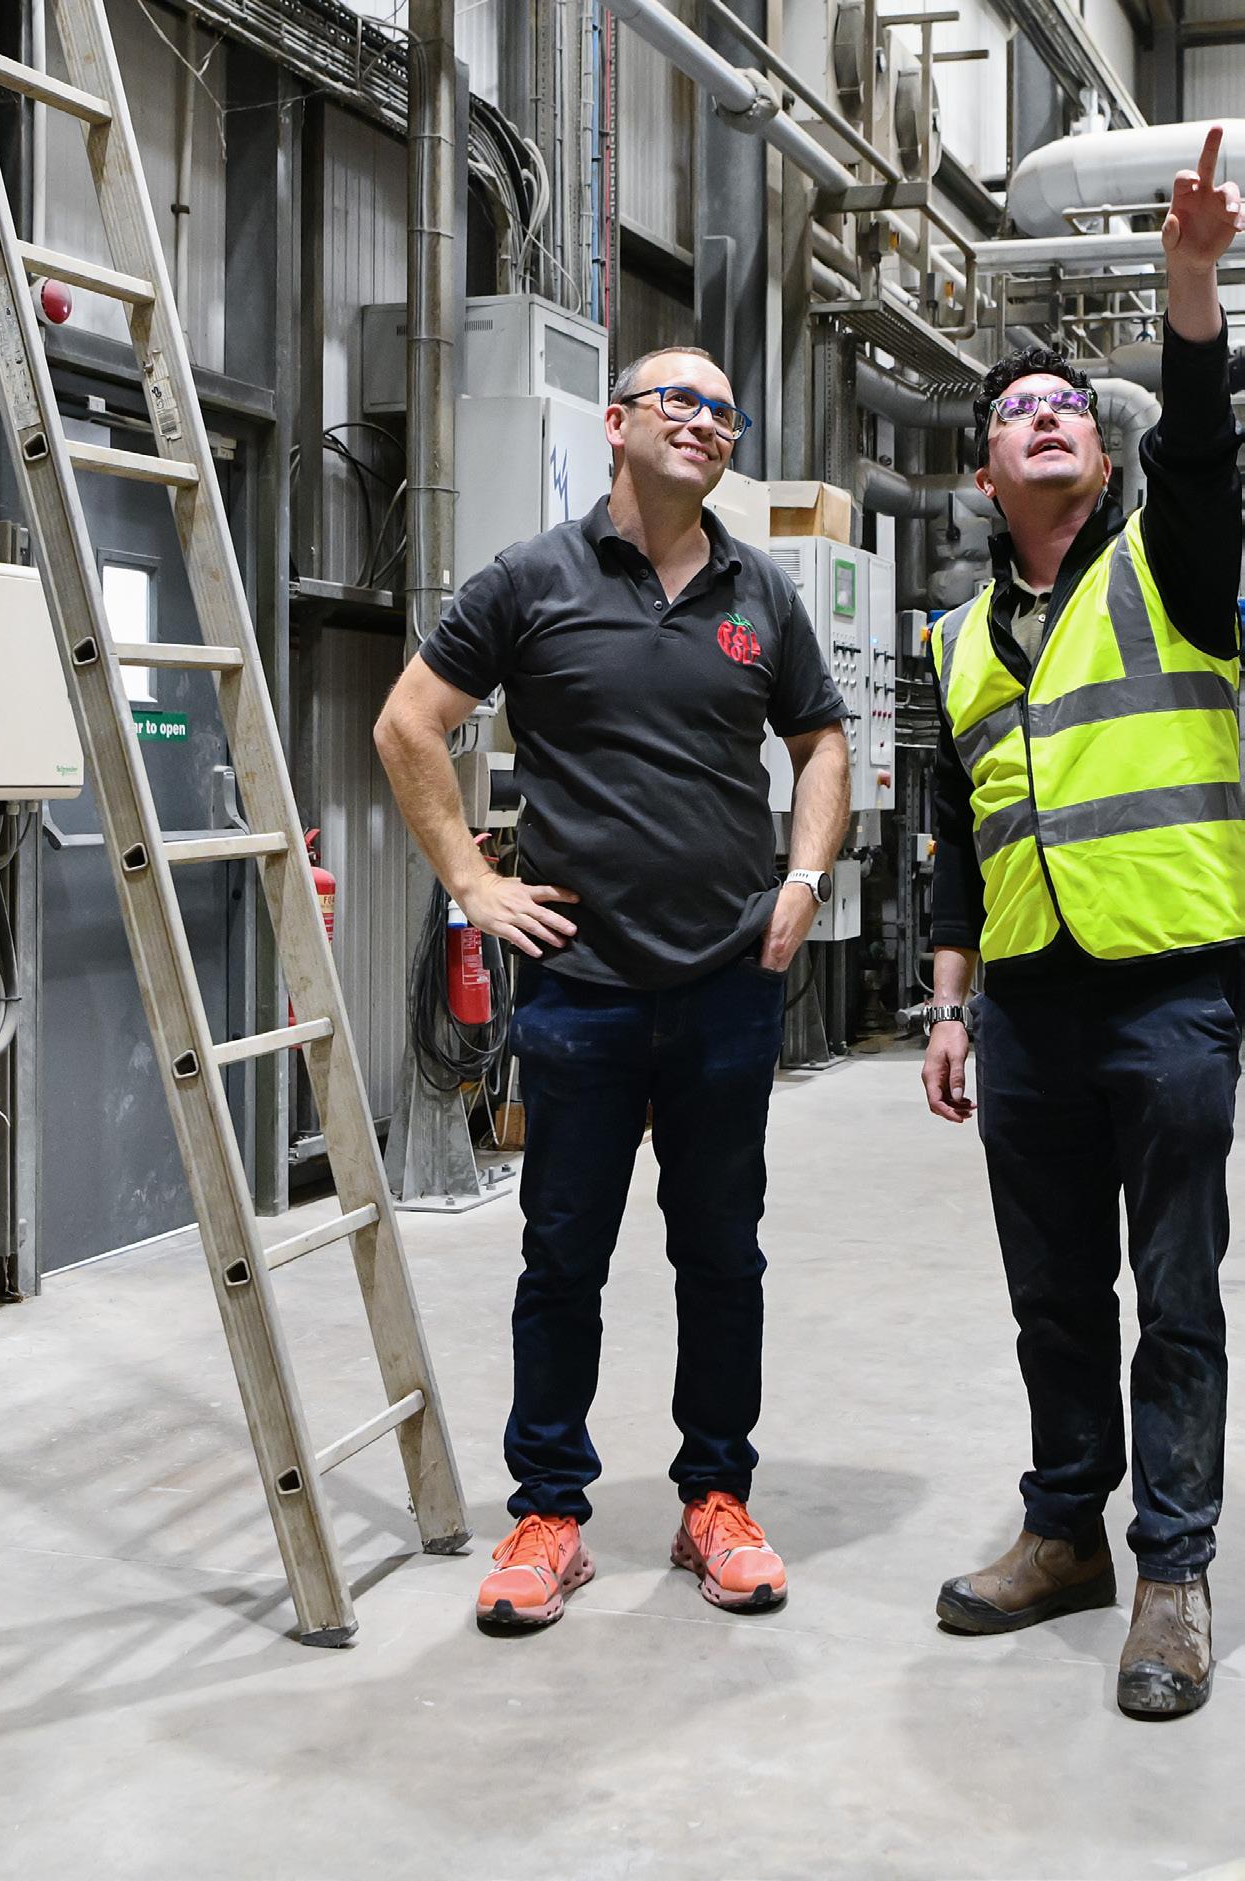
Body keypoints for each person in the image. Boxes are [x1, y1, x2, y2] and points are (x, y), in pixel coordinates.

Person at [374, 346, 849, 1631]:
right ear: (616, 422)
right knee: (561, 1255)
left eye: (721, 410)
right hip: (579, 986)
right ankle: (548, 1513)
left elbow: (819, 740)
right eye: (676, 400)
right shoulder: (531, 578)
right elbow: (407, 723)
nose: (703, 421)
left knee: (720, 1254)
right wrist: (472, 884)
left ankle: (715, 1500)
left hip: (725, 981)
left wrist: (804, 877)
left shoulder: (761, 593)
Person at [922, 126, 1245, 1721]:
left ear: (1101, 466)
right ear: (986, 476)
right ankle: (1064, 1532)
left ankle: (1172, 1571)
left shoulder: (1171, 571)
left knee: (1174, 1294)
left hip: (1172, 992)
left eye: (1066, 407)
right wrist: (947, 1001)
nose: (1044, 415)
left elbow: (1205, 458)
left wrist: (1190, 293)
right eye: (1013, 412)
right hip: (1030, 1010)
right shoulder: (954, 641)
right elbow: (955, 836)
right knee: (1052, 1292)